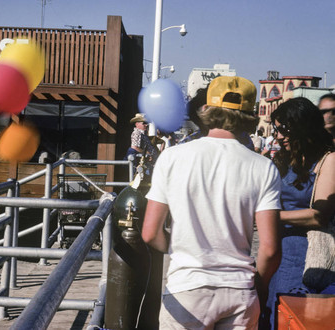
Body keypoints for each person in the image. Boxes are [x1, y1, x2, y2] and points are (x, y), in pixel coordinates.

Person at [142, 76, 282, 329]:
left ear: (206, 109)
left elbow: (150, 233)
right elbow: (270, 250)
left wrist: (179, 249)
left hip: (187, 287)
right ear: (250, 114)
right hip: (239, 291)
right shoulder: (264, 167)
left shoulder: (172, 158)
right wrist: (255, 288)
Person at [263, 97, 335, 329]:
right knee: (272, 315)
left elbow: (319, 215)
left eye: (284, 130)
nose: (279, 136)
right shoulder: (285, 159)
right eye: (277, 130)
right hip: (277, 252)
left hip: (306, 256)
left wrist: (268, 217)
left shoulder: (329, 160)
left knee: (293, 318)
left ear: (303, 127)